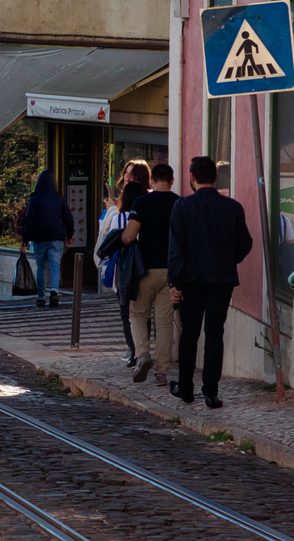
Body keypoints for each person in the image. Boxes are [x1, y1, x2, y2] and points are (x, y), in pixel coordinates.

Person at [167, 155, 253, 408]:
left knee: (189, 334)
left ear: (192, 178)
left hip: (190, 280)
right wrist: (229, 260)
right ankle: (211, 391)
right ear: (215, 178)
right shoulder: (233, 207)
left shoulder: (182, 207)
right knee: (215, 334)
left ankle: (185, 387)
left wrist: (174, 281)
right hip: (221, 279)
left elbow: (175, 248)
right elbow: (245, 244)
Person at [122, 161, 181, 386]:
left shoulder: (141, 202)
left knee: (137, 315)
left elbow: (129, 236)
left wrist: (117, 239)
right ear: (172, 180)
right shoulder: (179, 203)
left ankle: (143, 355)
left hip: (144, 269)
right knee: (165, 322)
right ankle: (162, 372)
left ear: (153, 181)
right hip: (171, 271)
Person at [97, 162, 149, 364]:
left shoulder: (120, 218)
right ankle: (143, 350)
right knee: (144, 313)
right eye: (125, 173)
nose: (126, 177)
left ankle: (135, 351)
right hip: (145, 267)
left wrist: (111, 210)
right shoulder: (147, 211)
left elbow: (109, 239)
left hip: (124, 270)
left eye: (130, 174)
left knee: (127, 312)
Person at [21, 169, 74, 309]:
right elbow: (69, 219)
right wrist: (69, 236)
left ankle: (41, 298)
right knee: (55, 266)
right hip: (56, 238)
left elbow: (29, 221)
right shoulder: (59, 199)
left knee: (41, 267)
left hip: (39, 239)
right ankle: (54, 292)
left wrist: (25, 241)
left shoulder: (35, 199)